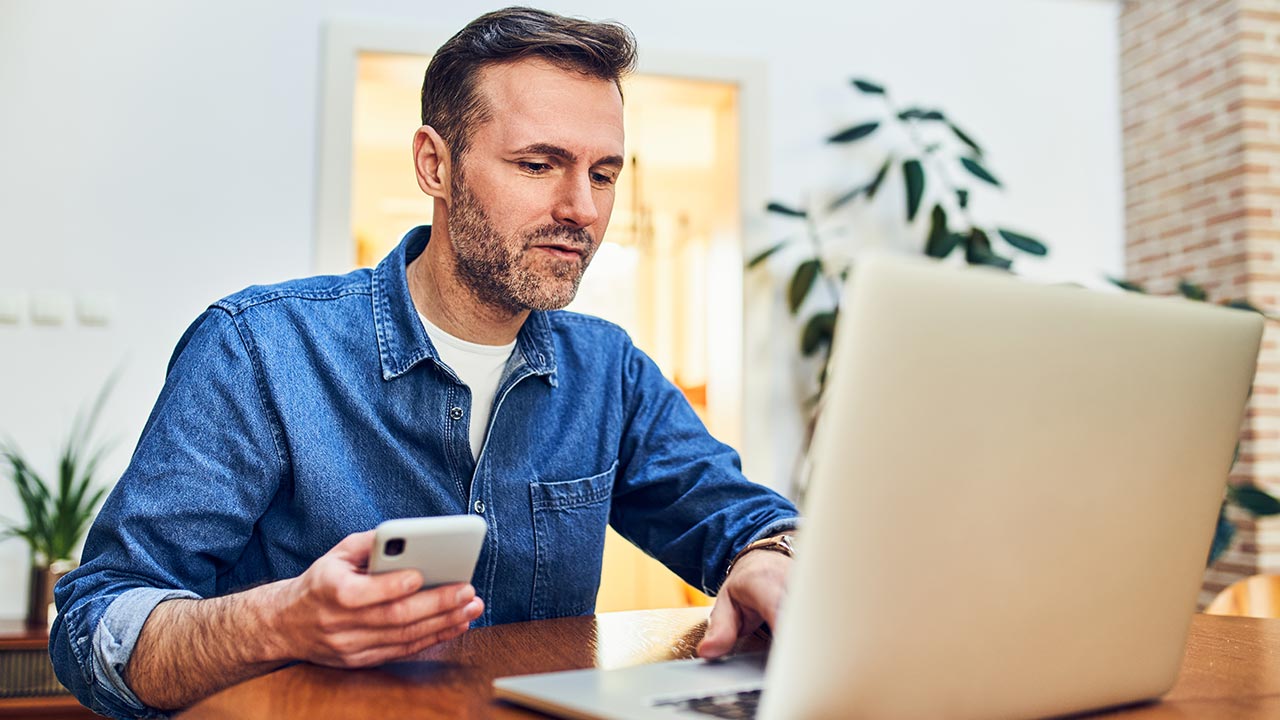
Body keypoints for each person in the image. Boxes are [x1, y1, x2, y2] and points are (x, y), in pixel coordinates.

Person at [50, 7, 799, 718]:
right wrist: (280, 623)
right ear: (434, 164)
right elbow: (94, 631)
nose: (583, 209)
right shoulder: (258, 349)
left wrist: (771, 557)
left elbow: (752, 523)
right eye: (539, 164)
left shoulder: (612, 373)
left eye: (604, 174)